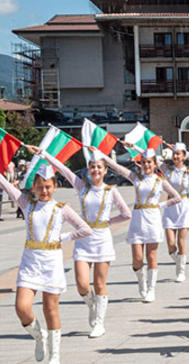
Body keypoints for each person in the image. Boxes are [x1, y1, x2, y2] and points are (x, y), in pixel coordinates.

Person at [0, 157, 92, 364]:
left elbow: (86, 229)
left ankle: (55, 357)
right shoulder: (27, 204)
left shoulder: (62, 209)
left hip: (51, 261)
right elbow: (5, 184)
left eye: (48, 187)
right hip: (30, 262)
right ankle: (38, 335)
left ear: (55, 186)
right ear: (33, 187)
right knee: (22, 307)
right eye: (40, 187)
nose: (44, 191)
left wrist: (63, 238)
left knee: (50, 309)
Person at [30, 145, 131, 338]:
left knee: (100, 284)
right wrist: (45, 155)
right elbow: (63, 170)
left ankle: (99, 322)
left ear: (105, 170)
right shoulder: (81, 187)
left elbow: (126, 214)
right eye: (92, 166)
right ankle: (93, 305)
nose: (95, 170)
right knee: (82, 285)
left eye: (99, 167)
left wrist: (108, 222)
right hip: (84, 241)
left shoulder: (111, 191)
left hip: (102, 239)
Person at [103, 147, 182, 303]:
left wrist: (160, 206)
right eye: (144, 162)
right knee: (137, 259)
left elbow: (177, 197)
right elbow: (119, 169)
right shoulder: (136, 178)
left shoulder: (160, 181)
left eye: (149, 163)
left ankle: (151, 289)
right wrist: (103, 157)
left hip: (152, 220)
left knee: (151, 256)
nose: (146, 165)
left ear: (154, 164)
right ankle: (141, 282)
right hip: (138, 221)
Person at [159, 143, 189, 283]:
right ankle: (179, 261)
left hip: (183, 208)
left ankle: (181, 271)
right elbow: (152, 158)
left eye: (179, 154)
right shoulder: (167, 170)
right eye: (174, 154)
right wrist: (134, 147)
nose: (175, 156)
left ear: (184, 156)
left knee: (181, 241)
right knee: (171, 244)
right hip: (169, 208)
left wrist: (187, 196)